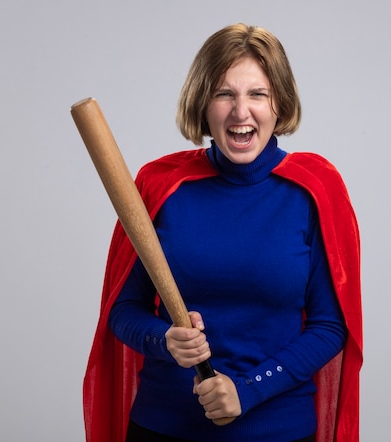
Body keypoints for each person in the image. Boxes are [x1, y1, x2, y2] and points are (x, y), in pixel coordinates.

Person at [83, 23, 362, 442]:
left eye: (257, 94)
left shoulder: (314, 191)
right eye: (224, 93)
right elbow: (122, 311)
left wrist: (248, 390)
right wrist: (165, 340)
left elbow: (330, 326)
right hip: (163, 427)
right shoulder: (162, 186)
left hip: (279, 431)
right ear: (203, 103)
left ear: (279, 105)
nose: (240, 111)